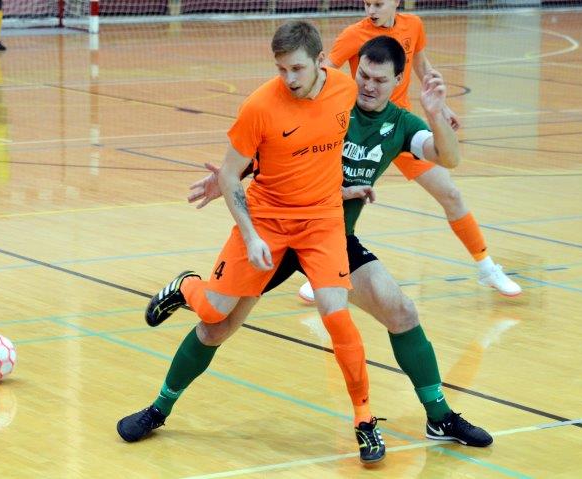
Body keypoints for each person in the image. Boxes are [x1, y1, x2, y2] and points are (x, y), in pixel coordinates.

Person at [188, 35, 493, 448]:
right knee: (217, 327)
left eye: (380, 80)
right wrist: (229, 176)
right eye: (363, 75)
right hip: (278, 230)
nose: (368, 85)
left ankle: (438, 417)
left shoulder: (401, 125)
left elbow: (448, 157)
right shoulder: (333, 99)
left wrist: (436, 115)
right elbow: (276, 142)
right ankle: (161, 403)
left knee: (402, 311)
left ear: (398, 81)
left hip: (330, 236)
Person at [117, 21, 386, 464]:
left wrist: (343, 189)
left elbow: (324, 149)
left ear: (321, 62)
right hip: (265, 220)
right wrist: (251, 234)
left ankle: (365, 420)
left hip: (321, 222)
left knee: (337, 317)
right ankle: (185, 299)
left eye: (297, 68)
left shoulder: (343, 90)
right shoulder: (260, 106)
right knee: (214, 320)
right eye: (281, 69)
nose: (289, 79)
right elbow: (229, 175)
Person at [295, 0, 520, 302]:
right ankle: (323, 269)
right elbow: (326, 72)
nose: (371, 10)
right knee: (337, 196)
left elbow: (423, 68)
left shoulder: (413, 26)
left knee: (451, 194)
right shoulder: (353, 35)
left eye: (378, 4)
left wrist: (441, 109)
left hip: (400, 132)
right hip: (359, 129)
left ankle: (487, 267)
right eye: (367, 3)